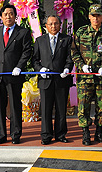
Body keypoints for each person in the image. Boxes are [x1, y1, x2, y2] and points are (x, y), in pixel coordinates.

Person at [0, 4, 32, 145]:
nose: (8, 16)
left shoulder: (23, 32)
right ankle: (1, 135)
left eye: (11, 14)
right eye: (5, 14)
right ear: (2, 16)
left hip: (14, 75)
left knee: (15, 105)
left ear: (15, 16)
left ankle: (16, 134)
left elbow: (26, 52)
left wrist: (19, 67)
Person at [72, 3, 102, 146]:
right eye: (93, 16)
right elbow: (74, 51)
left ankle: (99, 132)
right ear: (89, 17)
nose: (95, 18)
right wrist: (81, 65)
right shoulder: (81, 32)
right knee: (83, 106)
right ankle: (85, 133)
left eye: (98, 16)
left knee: (101, 106)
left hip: (101, 77)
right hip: (85, 78)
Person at [32, 15, 74, 145]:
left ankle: (61, 134)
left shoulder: (66, 39)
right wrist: (40, 69)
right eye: (50, 24)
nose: (53, 26)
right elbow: (34, 60)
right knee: (46, 109)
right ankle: (46, 135)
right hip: (45, 80)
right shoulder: (40, 40)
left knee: (61, 108)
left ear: (60, 25)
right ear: (46, 26)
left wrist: (67, 69)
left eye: (56, 24)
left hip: (62, 80)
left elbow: (70, 57)